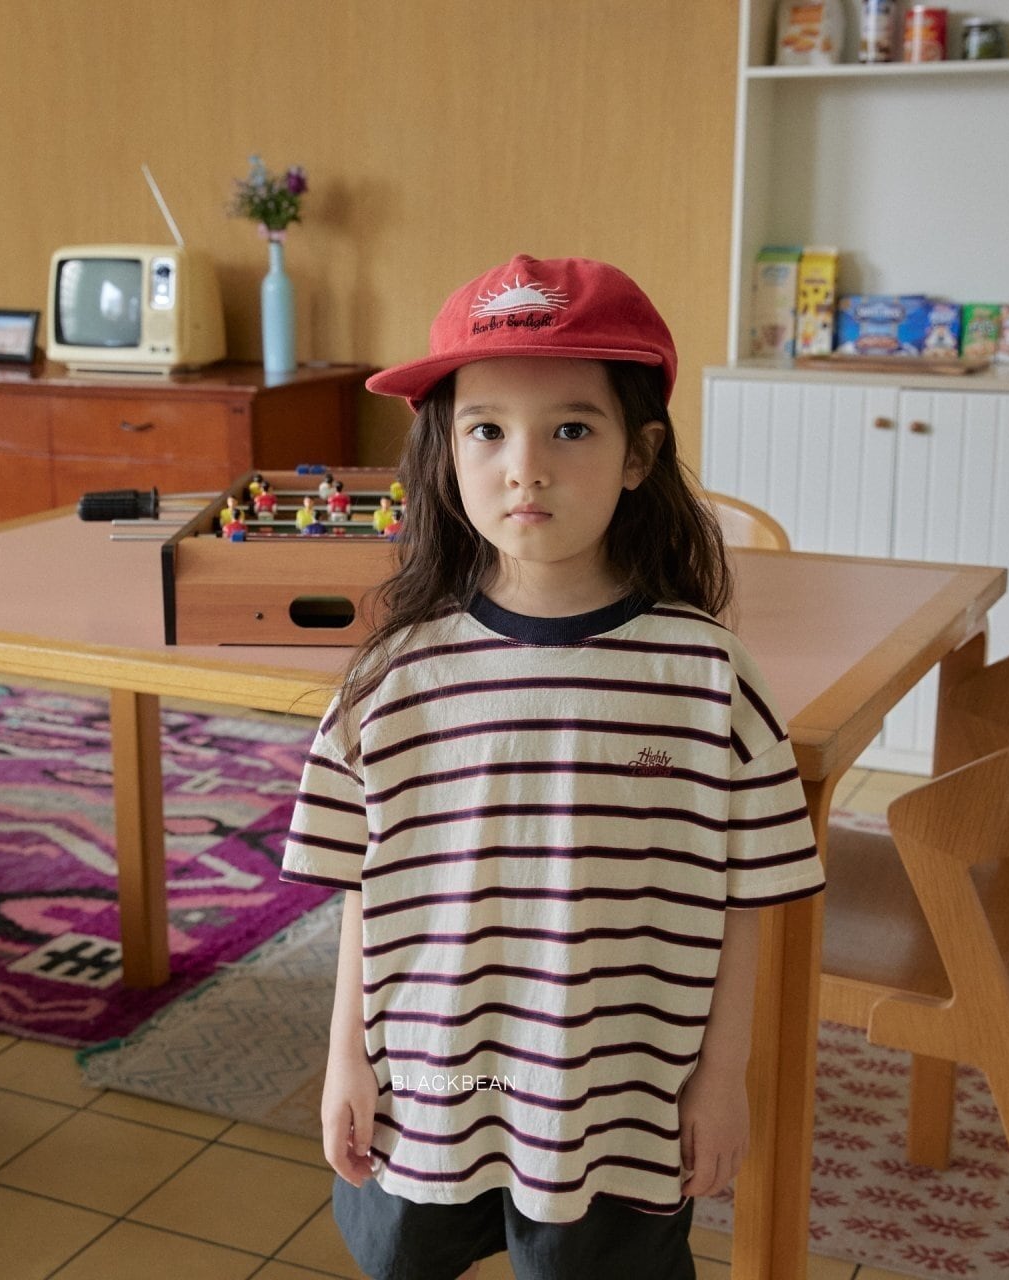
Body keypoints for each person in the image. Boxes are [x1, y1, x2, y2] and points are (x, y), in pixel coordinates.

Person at [280, 254, 824, 1280]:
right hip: (429, 1085)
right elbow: (361, 886)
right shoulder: (392, 677)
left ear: (637, 453)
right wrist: (346, 1057)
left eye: (570, 429)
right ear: (444, 453)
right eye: (486, 430)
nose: (523, 466)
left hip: (617, 1099)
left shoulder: (707, 676)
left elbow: (743, 897)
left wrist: (723, 1076)